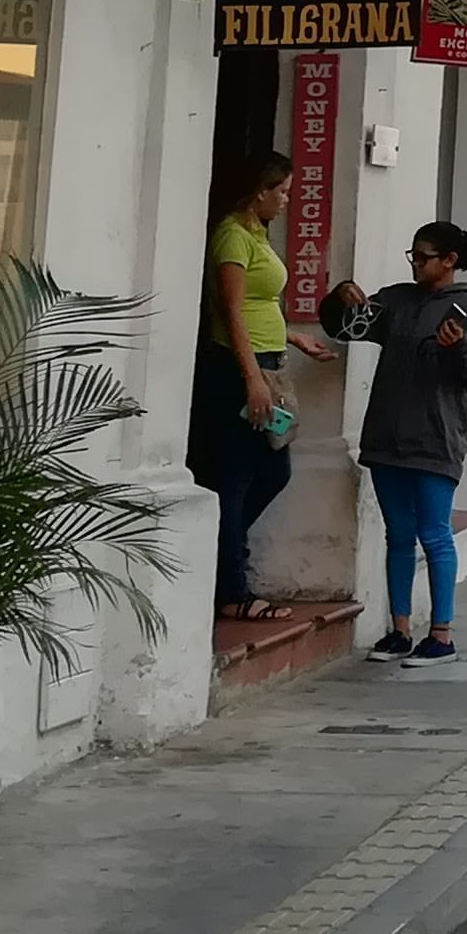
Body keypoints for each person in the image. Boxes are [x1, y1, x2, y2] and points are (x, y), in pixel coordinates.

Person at [325, 221, 467, 660]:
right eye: (414, 256)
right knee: (398, 534)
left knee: (435, 534)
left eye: (423, 257)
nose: (417, 264)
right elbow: (346, 329)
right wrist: (339, 296)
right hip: (388, 435)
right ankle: (399, 629)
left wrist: (458, 347)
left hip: (437, 438)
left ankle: (441, 633)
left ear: (449, 261)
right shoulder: (396, 300)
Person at [192, 152, 335, 623]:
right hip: (240, 373)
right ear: (261, 191)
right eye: (283, 192)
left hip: (270, 366)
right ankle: (232, 586)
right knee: (234, 477)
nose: (287, 201)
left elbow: (260, 305)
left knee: (275, 471)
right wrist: (252, 379)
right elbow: (232, 312)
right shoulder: (233, 236)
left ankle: (219, 554)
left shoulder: (258, 234)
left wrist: (293, 337)